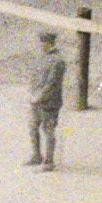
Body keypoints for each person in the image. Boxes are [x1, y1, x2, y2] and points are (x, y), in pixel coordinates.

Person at [26, 29, 66, 170]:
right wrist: (32, 94)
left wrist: (39, 97)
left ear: (50, 43)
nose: (41, 45)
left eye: (43, 42)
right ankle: (37, 156)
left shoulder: (58, 61)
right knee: (32, 127)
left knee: (48, 130)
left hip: (50, 102)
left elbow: (52, 84)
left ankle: (49, 162)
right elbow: (34, 77)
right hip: (36, 101)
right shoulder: (41, 57)